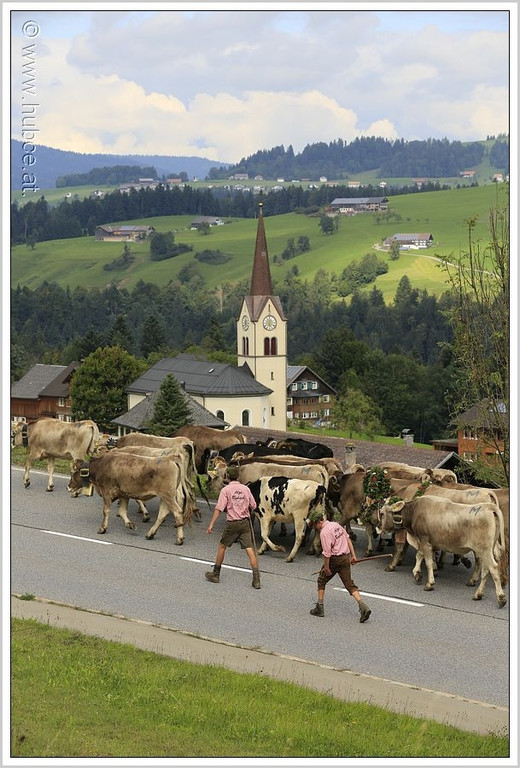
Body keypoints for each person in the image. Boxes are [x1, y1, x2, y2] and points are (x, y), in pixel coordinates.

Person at [307, 509, 371, 623]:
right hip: (345, 557)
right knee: (349, 584)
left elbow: (327, 553)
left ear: (318, 522)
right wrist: (353, 556)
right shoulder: (336, 525)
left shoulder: (324, 532)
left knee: (321, 580)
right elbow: (347, 539)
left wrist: (326, 568)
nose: (315, 528)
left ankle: (320, 607)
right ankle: (363, 606)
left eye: (314, 525)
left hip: (335, 559)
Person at [205, 465, 261, 589]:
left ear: (227, 476)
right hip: (245, 522)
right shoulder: (246, 489)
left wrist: (211, 524)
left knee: (222, 546)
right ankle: (256, 579)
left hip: (232, 523)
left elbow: (219, 508)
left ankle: (216, 573)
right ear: (238, 476)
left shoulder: (226, 490)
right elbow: (253, 505)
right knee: (249, 549)